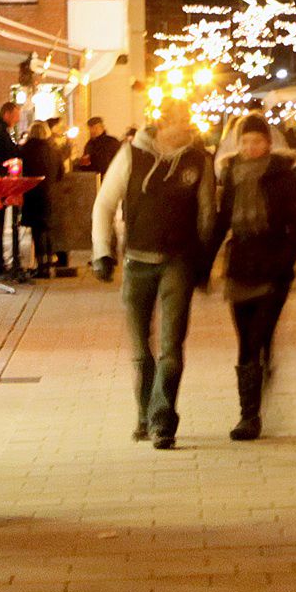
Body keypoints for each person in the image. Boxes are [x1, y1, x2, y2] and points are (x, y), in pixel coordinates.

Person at [92, 97, 220, 447]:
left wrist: (204, 262)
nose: (185, 130)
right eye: (178, 123)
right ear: (161, 125)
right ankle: (144, 413)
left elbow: (208, 212)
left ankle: (163, 421)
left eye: (187, 123)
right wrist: (102, 252)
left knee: (171, 346)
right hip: (137, 261)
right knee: (139, 349)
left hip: (178, 261)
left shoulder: (199, 159)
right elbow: (105, 202)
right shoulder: (132, 154)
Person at [215, 115, 296, 440]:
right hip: (240, 266)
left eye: (256, 141)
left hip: (273, 267)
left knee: (256, 338)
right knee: (247, 341)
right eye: (245, 141)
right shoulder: (231, 174)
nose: (250, 147)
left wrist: (285, 262)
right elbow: (223, 219)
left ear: (268, 143)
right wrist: (203, 264)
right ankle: (256, 385)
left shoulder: (284, 175)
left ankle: (248, 417)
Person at [20, 116, 68, 272]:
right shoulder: (54, 151)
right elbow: (61, 173)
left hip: (32, 194)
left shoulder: (25, 150)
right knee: (48, 228)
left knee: (37, 229)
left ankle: (40, 263)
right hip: (49, 194)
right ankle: (49, 259)